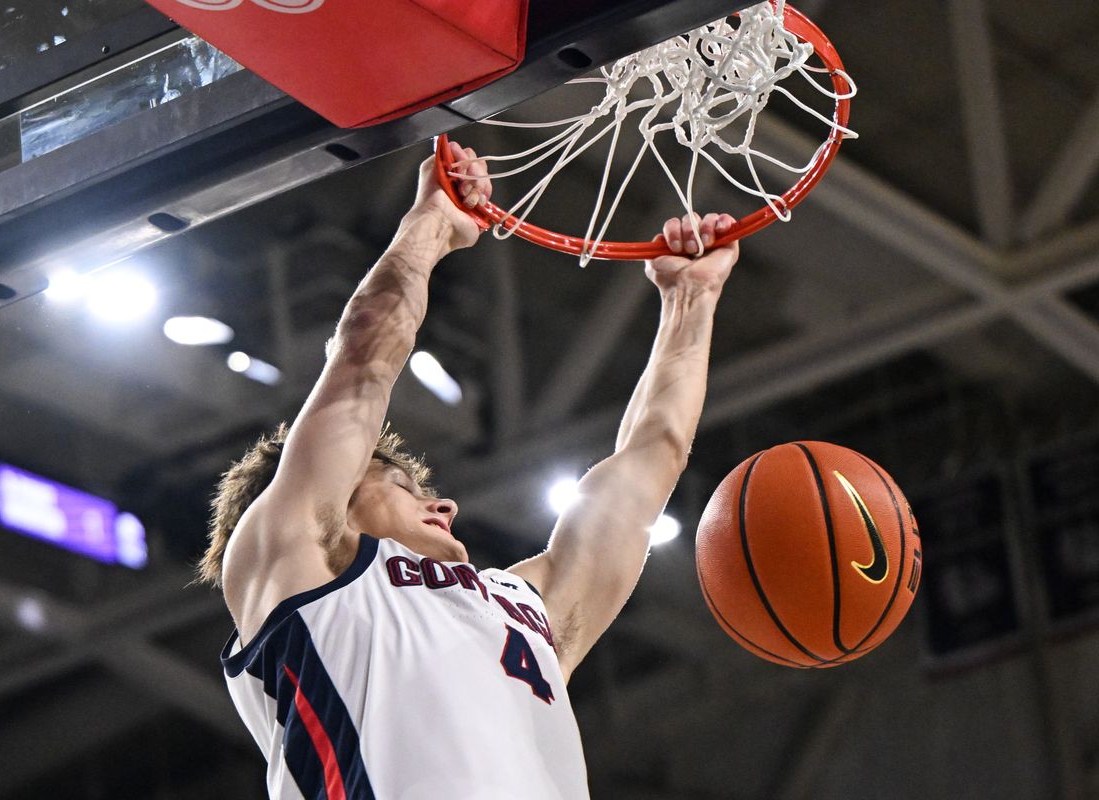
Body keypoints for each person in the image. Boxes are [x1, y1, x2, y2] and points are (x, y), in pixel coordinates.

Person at [197, 140, 740, 799]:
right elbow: (364, 355)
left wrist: (690, 303)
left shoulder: (523, 609)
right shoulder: (293, 573)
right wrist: (430, 225)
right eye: (399, 484)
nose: (445, 505)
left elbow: (654, 459)